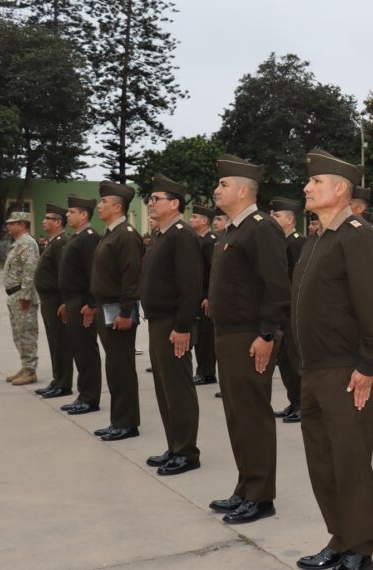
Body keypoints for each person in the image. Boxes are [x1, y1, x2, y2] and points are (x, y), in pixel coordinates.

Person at [292, 148, 373, 570]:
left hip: (347, 368)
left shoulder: (358, 236)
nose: (306, 187)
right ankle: (339, 538)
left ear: (339, 189)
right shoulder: (318, 238)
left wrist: (369, 363)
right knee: (322, 460)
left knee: (350, 462)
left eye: (315, 182)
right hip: (315, 368)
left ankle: (359, 549)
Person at [205, 154, 290, 525]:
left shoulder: (260, 227)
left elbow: (277, 286)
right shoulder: (235, 229)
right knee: (237, 417)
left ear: (242, 190)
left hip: (249, 337)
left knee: (253, 416)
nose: (216, 189)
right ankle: (245, 486)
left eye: (223, 184)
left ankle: (260, 496)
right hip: (228, 335)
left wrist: (267, 334)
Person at [140, 175, 204, 476]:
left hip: (173, 324)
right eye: (150, 200)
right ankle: (174, 444)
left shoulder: (182, 235)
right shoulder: (162, 235)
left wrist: (182, 326)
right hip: (157, 322)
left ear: (174, 203)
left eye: (156, 199)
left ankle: (187, 452)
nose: (151, 204)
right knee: (164, 388)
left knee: (178, 388)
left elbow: (190, 286)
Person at [90, 181, 144, 442]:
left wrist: (126, 312)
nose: (99, 206)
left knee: (122, 367)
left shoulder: (126, 234)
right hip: (105, 309)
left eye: (104, 202)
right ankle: (117, 420)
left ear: (118, 206)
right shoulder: (110, 232)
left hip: (118, 312)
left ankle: (127, 423)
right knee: (114, 367)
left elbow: (131, 277)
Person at [57, 195, 103, 416]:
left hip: (83, 301)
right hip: (73, 300)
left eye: (71, 212)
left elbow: (93, 273)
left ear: (84, 215)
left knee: (86, 350)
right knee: (78, 349)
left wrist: (91, 304)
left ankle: (90, 397)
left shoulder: (89, 238)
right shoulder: (76, 238)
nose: (67, 214)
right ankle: (83, 394)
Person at [270, 197, 307, 424]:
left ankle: (303, 404)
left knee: (295, 361)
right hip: (279, 311)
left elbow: (297, 280)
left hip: (292, 311)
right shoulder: (278, 241)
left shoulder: (297, 242)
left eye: (277, 216)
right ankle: (293, 401)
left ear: (290, 219)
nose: (273, 219)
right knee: (284, 361)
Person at [33, 204, 74, 399]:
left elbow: (63, 274)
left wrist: (64, 302)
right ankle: (57, 379)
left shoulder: (61, 242)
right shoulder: (53, 241)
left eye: (48, 218)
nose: (44, 220)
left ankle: (64, 383)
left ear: (58, 222)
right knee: (54, 341)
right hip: (48, 299)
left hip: (56, 299)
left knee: (61, 342)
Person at [1, 212, 41, 386]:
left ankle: (30, 370)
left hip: (22, 295)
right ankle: (25, 367)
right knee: (19, 334)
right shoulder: (18, 243)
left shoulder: (27, 243)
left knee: (26, 333)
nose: (9, 226)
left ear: (23, 225)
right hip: (14, 295)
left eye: (13, 223)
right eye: (9, 223)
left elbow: (30, 269)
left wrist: (25, 295)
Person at [189, 204, 219, 387]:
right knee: (200, 335)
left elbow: (212, 271)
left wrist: (208, 295)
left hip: (204, 295)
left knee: (205, 336)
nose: (191, 220)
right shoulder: (197, 239)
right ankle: (203, 369)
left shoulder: (210, 241)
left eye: (194, 217)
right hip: (197, 294)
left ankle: (207, 372)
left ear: (204, 221)